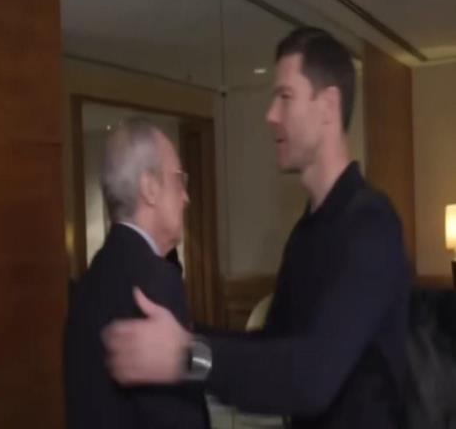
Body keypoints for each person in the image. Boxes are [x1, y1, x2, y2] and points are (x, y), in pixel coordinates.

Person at [103, 27, 411, 429]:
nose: (270, 115)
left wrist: (186, 355)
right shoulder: (305, 235)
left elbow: (312, 377)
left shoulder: (371, 224)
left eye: (285, 96)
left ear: (328, 106)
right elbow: (274, 347)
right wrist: (184, 333)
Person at [63, 118, 210, 428]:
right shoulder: (158, 281)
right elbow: (180, 416)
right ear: (150, 188)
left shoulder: (87, 283)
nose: (186, 197)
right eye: (178, 180)